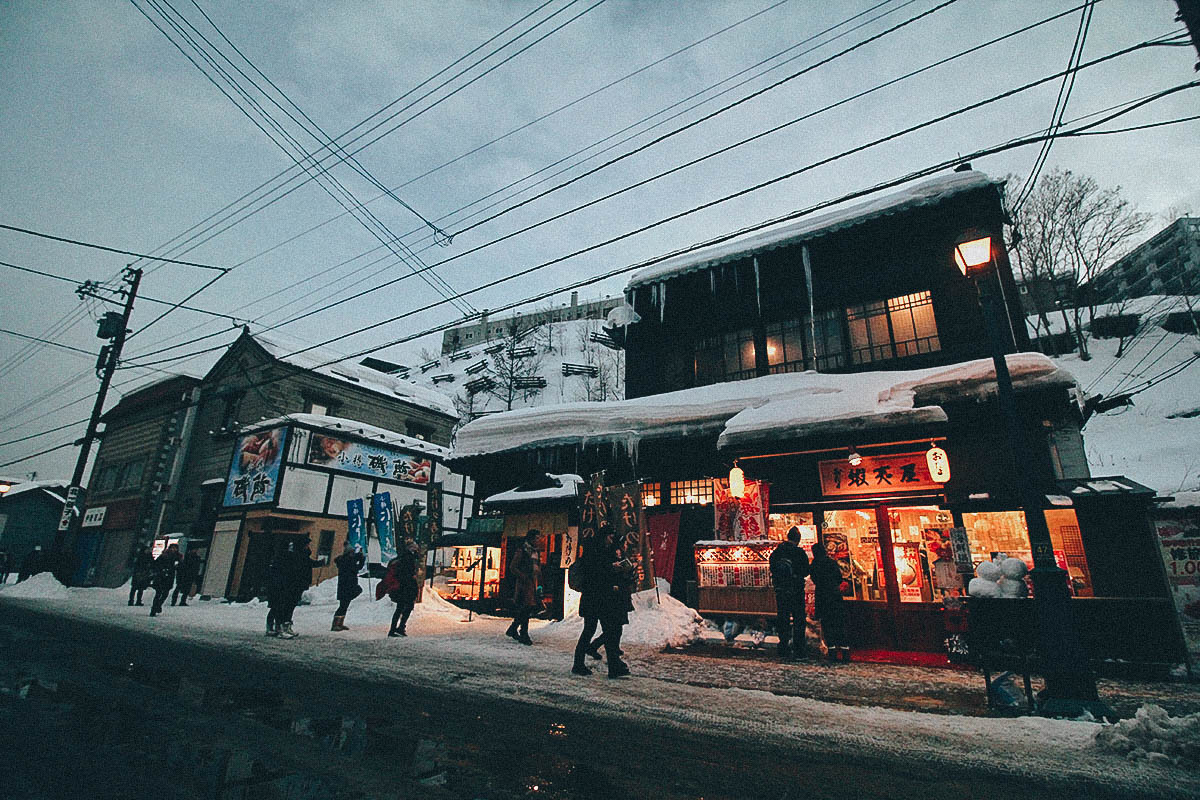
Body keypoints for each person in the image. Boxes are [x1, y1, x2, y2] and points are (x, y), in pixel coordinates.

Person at [769, 527, 810, 660]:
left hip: (781, 590)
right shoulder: (799, 552)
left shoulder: (777, 552)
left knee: (783, 618)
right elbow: (805, 571)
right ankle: (799, 649)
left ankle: (783, 647)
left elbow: (772, 568)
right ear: (798, 539)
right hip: (796, 590)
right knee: (799, 619)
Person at [810, 542, 851, 663]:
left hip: (822, 596)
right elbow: (839, 578)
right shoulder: (831, 562)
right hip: (834, 595)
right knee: (839, 623)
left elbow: (814, 579)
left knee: (827, 624)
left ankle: (832, 651)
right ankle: (845, 651)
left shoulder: (814, 565)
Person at [504, 530, 542, 646]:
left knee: (527, 608)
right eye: (536, 538)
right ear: (530, 539)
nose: (538, 540)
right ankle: (523, 633)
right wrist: (523, 576)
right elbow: (513, 567)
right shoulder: (522, 550)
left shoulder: (535, 552)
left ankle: (514, 628)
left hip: (533, 582)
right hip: (524, 583)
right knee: (526, 607)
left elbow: (536, 567)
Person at [377, 538, 419, 637]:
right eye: (415, 546)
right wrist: (411, 578)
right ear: (411, 548)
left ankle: (395, 629)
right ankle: (398, 628)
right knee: (406, 608)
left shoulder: (402, 557)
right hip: (406, 587)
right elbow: (407, 573)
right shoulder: (408, 558)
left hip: (402, 587)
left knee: (400, 608)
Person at [331, 542, 366, 631]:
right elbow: (356, 567)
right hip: (347, 586)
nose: (353, 554)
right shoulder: (347, 562)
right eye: (352, 552)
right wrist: (361, 558)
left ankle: (339, 623)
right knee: (343, 606)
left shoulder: (344, 561)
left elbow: (356, 565)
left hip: (346, 586)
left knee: (344, 605)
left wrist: (360, 558)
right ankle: (336, 624)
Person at [149, 543, 181, 617]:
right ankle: (154, 608)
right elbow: (156, 564)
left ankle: (159, 604)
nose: (173, 550)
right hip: (161, 576)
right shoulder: (164, 556)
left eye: (175, 548)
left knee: (165, 593)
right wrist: (161, 570)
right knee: (158, 593)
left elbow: (180, 566)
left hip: (169, 577)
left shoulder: (177, 557)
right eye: (172, 548)